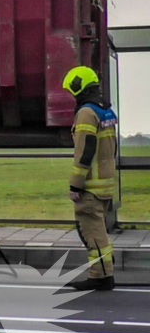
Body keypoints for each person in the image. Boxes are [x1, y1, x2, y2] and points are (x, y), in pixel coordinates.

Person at [62, 66, 117, 291]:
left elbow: (85, 150)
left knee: (93, 234)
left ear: (79, 86)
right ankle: (104, 272)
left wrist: (75, 183)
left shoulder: (86, 112)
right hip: (104, 184)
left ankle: (101, 276)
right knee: (98, 231)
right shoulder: (106, 111)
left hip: (90, 187)